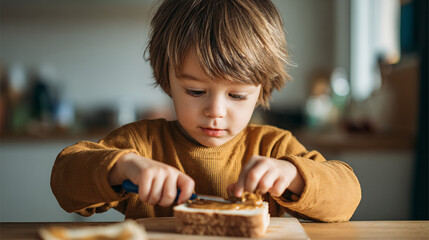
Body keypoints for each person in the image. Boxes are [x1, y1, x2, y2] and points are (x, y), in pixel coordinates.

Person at [51, 0, 361, 222]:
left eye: (237, 95)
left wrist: (292, 175)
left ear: (262, 90)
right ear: (167, 79)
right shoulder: (143, 145)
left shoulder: (273, 148)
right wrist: (125, 167)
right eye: (196, 91)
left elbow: (347, 196)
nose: (215, 111)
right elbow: (65, 180)